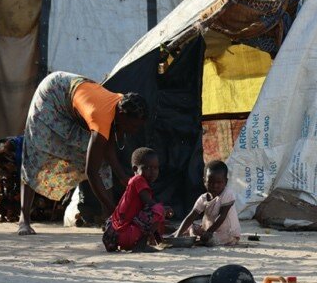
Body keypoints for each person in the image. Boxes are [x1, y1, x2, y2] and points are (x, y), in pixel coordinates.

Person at [18, 71, 147, 235]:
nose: (134, 131)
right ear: (122, 116)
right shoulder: (101, 118)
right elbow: (91, 172)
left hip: (72, 100)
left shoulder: (122, 105)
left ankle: (109, 221)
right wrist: (114, 209)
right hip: (52, 94)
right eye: (133, 126)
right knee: (36, 153)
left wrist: (124, 178)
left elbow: (109, 151)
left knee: (103, 163)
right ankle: (24, 219)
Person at [102, 147, 172, 252]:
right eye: (148, 168)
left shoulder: (137, 183)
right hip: (124, 233)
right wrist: (164, 210)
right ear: (135, 169)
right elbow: (151, 206)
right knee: (159, 210)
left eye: (156, 168)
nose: (153, 172)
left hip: (112, 235)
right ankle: (141, 244)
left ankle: (155, 240)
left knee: (159, 217)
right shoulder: (138, 180)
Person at [175, 160, 241, 246]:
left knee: (208, 239)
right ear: (204, 181)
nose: (215, 186)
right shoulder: (203, 198)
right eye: (211, 182)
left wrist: (209, 232)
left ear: (226, 182)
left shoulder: (227, 194)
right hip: (210, 231)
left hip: (228, 234)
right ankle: (177, 235)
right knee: (191, 226)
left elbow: (222, 216)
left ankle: (202, 240)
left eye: (219, 182)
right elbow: (191, 216)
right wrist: (178, 234)